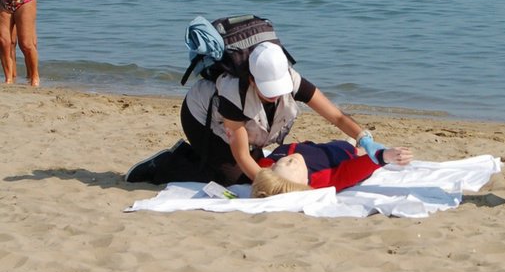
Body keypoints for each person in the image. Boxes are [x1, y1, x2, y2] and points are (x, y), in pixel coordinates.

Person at [125, 40, 391, 186]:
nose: (275, 95)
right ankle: (165, 164)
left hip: (233, 125)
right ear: (251, 79)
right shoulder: (233, 93)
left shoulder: (292, 79)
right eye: (268, 90)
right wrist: (277, 188)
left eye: (278, 89)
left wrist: (364, 138)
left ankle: (198, 155)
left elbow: (336, 116)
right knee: (232, 178)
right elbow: (241, 154)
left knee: (252, 168)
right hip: (201, 117)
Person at [252, 139, 413, 197]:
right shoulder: (321, 179)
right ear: (304, 183)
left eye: (285, 162)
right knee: (354, 148)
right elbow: (350, 173)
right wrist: (383, 156)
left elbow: (260, 172)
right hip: (342, 153)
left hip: (316, 147)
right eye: (292, 167)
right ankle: (355, 144)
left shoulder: (269, 168)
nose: (291, 162)